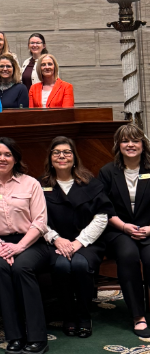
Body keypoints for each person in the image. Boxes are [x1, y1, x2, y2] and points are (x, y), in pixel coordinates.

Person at [0, 138, 50, 354]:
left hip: (30, 241)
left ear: (16, 158)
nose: (2, 158)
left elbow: (40, 222)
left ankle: (38, 337)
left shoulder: (31, 184)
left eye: (8, 154)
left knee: (21, 268)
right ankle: (15, 336)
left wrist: (19, 247)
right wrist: (1, 245)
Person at [41, 136, 112, 337]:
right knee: (62, 266)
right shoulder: (41, 185)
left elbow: (101, 217)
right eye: (57, 152)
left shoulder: (90, 183)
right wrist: (56, 238)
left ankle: (83, 315)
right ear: (50, 157)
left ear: (74, 157)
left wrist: (79, 242)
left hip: (87, 243)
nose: (62, 156)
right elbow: (36, 219)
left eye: (67, 152)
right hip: (55, 243)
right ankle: (68, 315)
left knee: (80, 265)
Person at [99, 124, 150, 336]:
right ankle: (138, 315)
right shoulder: (108, 172)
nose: (130, 145)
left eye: (135, 140)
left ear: (143, 145)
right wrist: (124, 226)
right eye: (125, 141)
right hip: (119, 230)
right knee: (128, 256)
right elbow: (103, 208)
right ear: (118, 145)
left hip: (149, 229)